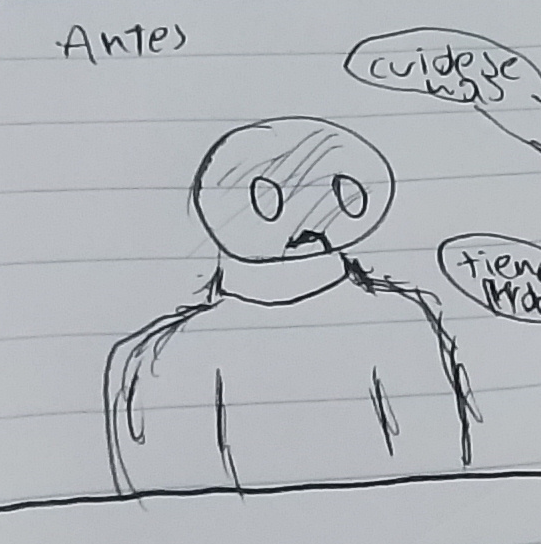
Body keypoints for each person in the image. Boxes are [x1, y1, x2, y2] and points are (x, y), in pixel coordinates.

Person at [106, 117, 475, 495]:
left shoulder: (160, 352)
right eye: (268, 198)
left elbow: (436, 469)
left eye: (336, 192)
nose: (306, 219)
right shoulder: (166, 353)